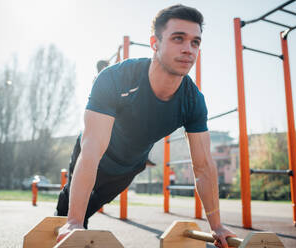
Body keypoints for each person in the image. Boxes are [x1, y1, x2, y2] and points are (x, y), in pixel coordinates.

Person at [56, 5, 236, 248]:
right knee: (66, 219)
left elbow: (203, 166)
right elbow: (92, 151)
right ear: (155, 43)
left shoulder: (193, 100)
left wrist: (217, 226)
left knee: (88, 210)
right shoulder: (115, 78)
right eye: (178, 39)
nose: (188, 49)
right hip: (93, 155)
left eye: (195, 42)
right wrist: (74, 221)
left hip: (128, 168)